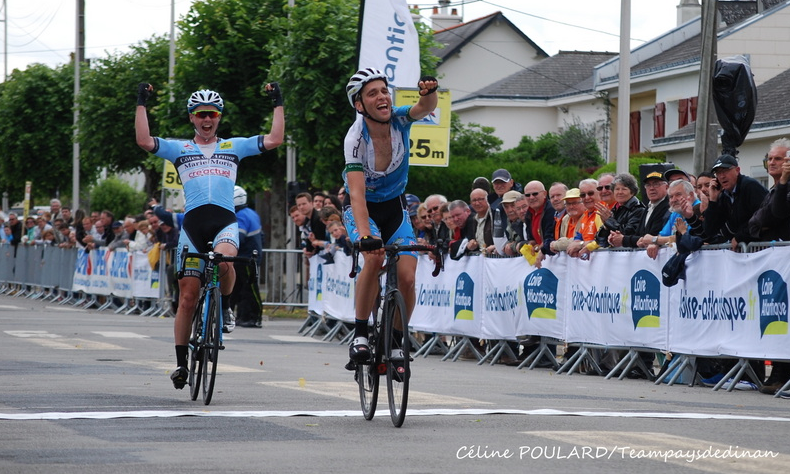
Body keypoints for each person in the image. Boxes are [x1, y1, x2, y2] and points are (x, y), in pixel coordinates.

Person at [135, 80, 284, 390]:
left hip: (224, 222)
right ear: (192, 117)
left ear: (219, 117)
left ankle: (225, 307)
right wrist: (141, 103)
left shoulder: (233, 146)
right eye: (201, 114)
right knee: (187, 297)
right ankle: (180, 363)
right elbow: (145, 141)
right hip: (192, 226)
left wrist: (277, 103)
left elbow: (274, 139)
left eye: (212, 115)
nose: (207, 120)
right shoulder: (180, 148)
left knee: (226, 262)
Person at [341, 67, 438, 368]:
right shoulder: (355, 140)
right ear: (359, 105)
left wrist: (429, 93)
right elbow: (356, 195)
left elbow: (425, 108)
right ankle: (359, 334)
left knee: (408, 275)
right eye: (373, 93)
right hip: (363, 210)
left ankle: (396, 340)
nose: (382, 97)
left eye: (384, 90)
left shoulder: (398, 118)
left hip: (395, 208)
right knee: (373, 258)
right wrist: (365, 236)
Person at [746, 138, 790, 394]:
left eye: (778, 159)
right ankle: (778, 373)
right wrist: (761, 225)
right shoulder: (773, 188)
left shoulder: (783, 186)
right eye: (770, 159)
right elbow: (756, 222)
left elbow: (777, 214)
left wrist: (784, 183)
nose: (772, 163)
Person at [703, 154, 768, 250]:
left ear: (737, 170)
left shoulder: (750, 186)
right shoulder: (724, 195)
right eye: (718, 173)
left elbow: (763, 218)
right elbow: (710, 230)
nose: (722, 176)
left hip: (762, 247)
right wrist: (713, 201)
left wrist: (740, 237)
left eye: (725, 171)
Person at [230, 186, 264, 329]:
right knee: (242, 289)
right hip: (250, 257)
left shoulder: (240, 216)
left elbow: (237, 238)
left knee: (248, 289)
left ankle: (252, 317)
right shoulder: (251, 213)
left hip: (245, 258)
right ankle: (243, 316)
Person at [594, 173, 645, 248]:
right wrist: (606, 226)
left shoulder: (639, 210)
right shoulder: (614, 210)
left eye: (624, 189)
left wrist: (609, 221)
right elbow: (601, 242)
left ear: (632, 192)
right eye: (617, 189)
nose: (620, 192)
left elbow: (627, 234)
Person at [469, 188, 495, 255]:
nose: (477, 203)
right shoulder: (473, 220)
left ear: (487, 200)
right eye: (474, 200)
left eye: (480, 199)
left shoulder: (494, 215)